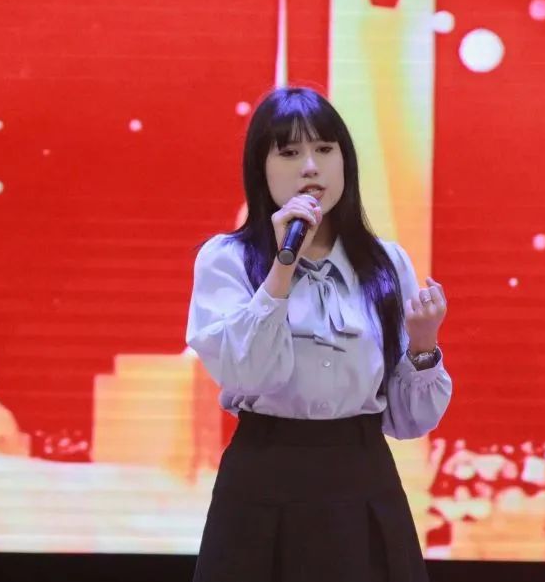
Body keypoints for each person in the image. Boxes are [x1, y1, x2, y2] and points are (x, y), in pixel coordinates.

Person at [185, 86, 453, 582]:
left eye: (325, 149)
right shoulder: (227, 260)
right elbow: (247, 373)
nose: (311, 167)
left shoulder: (386, 264)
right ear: (261, 168)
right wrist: (282, 267)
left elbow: (408, 420)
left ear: (345, 161)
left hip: (362, 477)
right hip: (264, 479)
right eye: (289, 153)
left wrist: (422, 345)